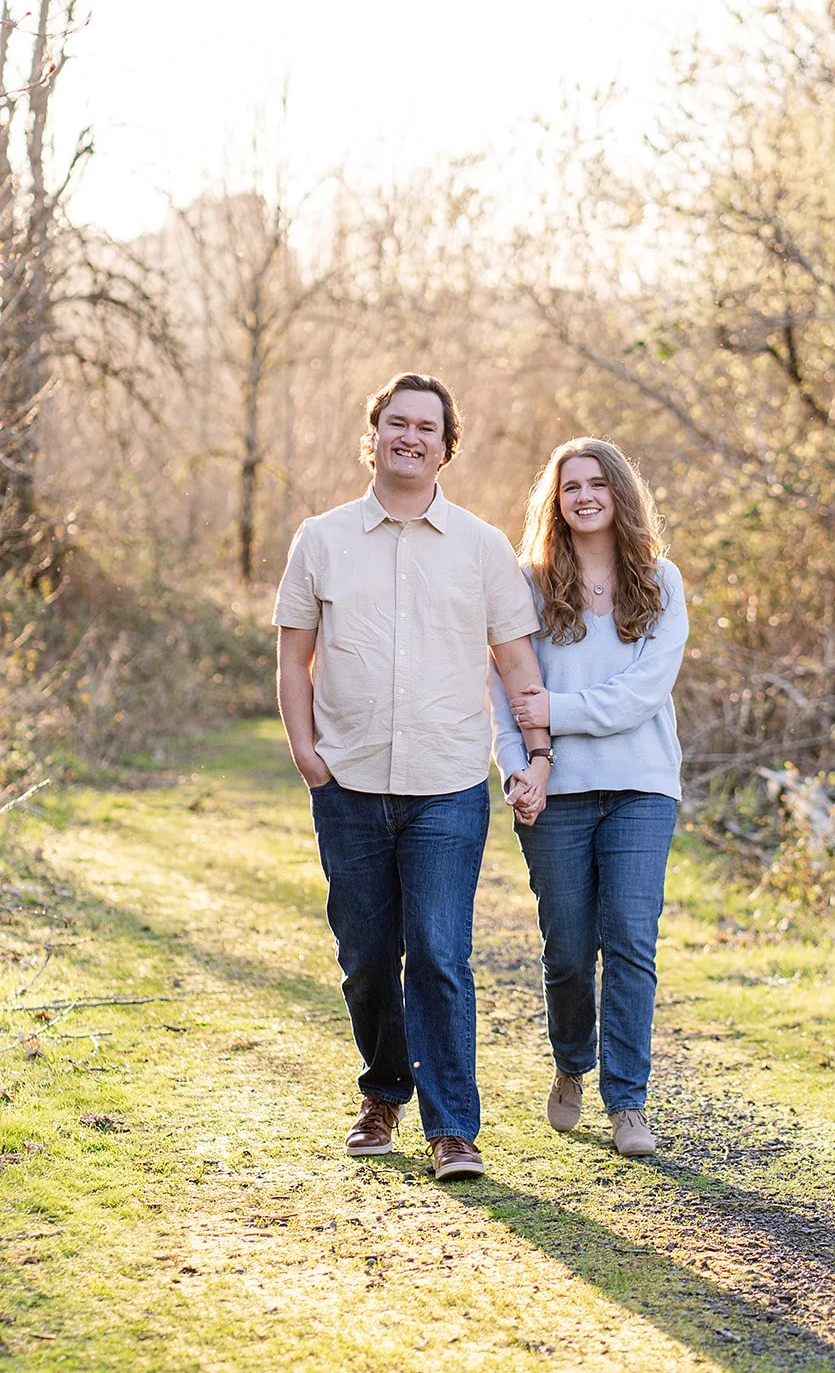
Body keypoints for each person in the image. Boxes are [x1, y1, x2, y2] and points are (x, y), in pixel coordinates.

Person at [273, 372, 551, 1182]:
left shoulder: (480, 546)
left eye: (426, 427)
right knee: (365, 955)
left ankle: (452, 1129)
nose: (410, 437)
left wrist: (536, 754)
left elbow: (517, 660)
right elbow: (293, 655)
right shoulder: (320, 539)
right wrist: (304, 750)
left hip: (447, 787)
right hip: (348, 784)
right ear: (374, 435)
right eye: (396, 423)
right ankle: (383, 1092)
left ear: (446, 445)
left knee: (437, 952)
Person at [491, 437, 688, 1157]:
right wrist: (517, 765)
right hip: (558, 792)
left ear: (619, 493)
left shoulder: (660, 581)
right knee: (568, 950)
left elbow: (643, 693)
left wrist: (555, 712)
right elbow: (505, 688)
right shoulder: (529, 584)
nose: (583, 495)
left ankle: (627, 1103)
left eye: (596, 483)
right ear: (554, 500)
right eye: (569, 485)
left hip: (641, 787)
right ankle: (571, 1062)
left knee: (630, 942)